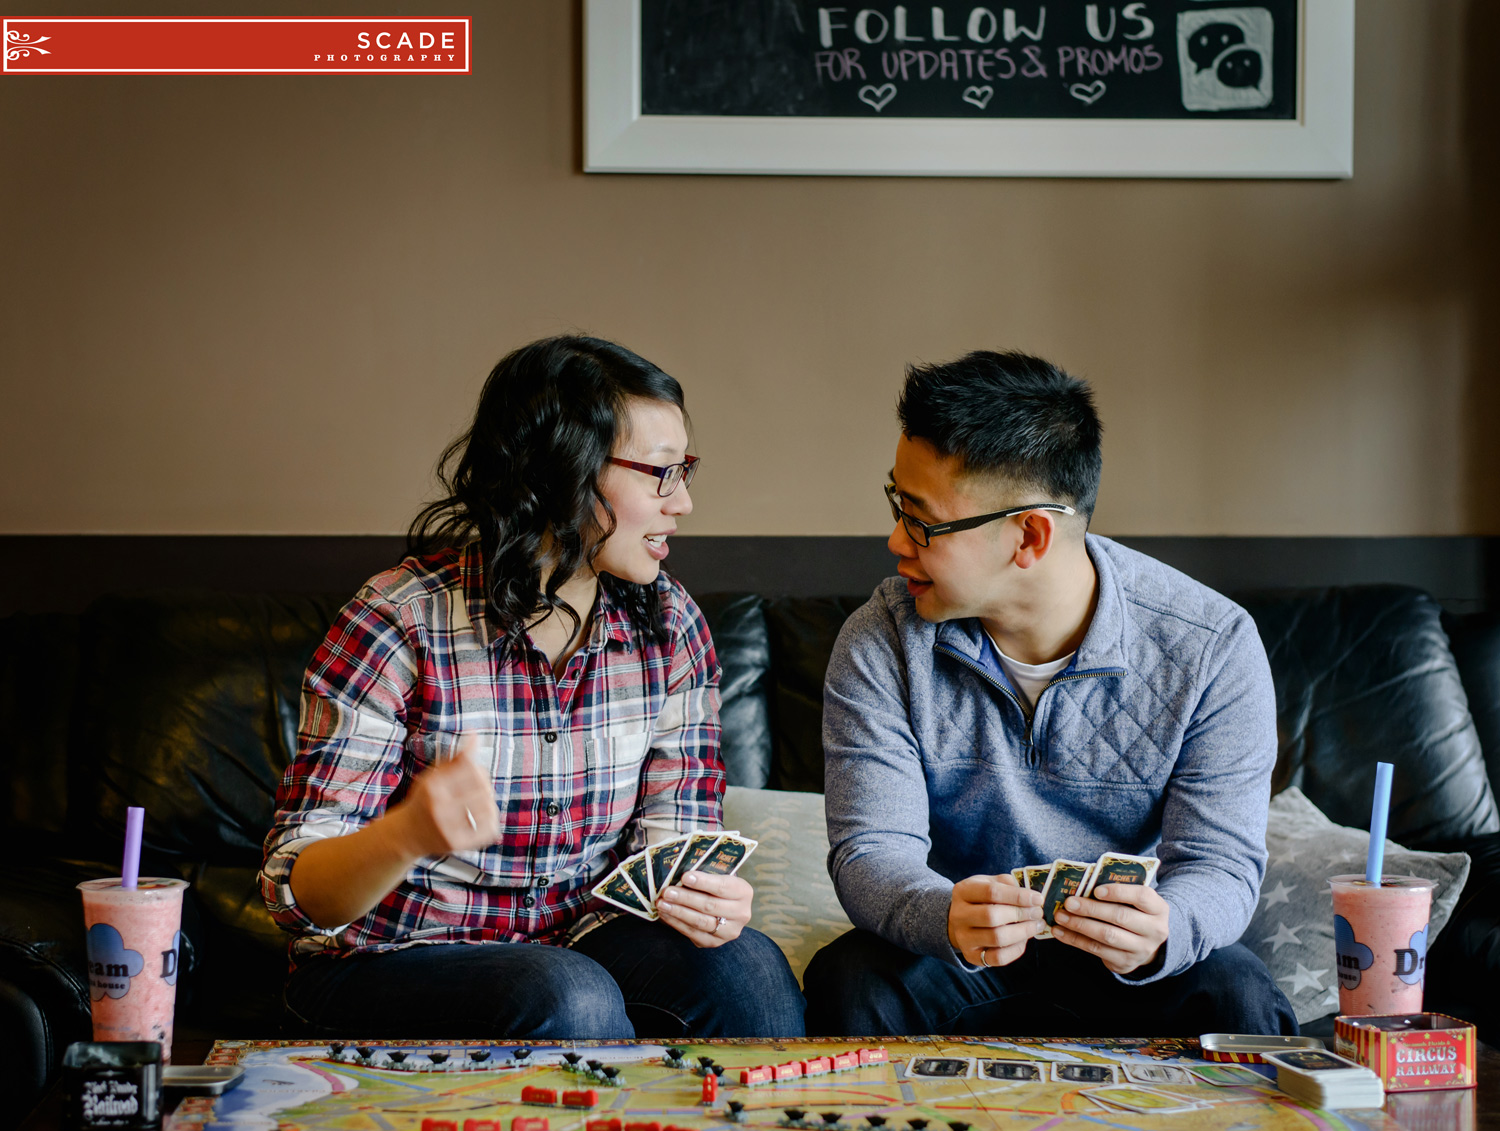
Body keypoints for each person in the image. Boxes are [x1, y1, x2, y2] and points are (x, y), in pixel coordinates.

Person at [259, 335, 804, 1039]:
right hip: (387, 955)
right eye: (660, 474)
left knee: (748, 971)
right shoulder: (398, 619)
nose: (685, 502)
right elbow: (298, 897)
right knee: (569, 994)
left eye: (685, 471)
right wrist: (406, 834)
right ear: (561, 474)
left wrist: (707, 900)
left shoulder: (673, 627)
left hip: (579, 937)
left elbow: (674, 845)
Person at [802, 350, 1297, 1037]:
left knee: (1237, 989)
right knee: (851, 976)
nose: (895, 539)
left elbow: (1220, 864)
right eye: (896, 503)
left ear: (1030, 535)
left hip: (1124, 969)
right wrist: (939, 910)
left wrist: (1167, 928)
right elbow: (871, 850)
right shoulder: (881, 641)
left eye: (921, 519)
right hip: (958, 956)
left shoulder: (1212, 645)